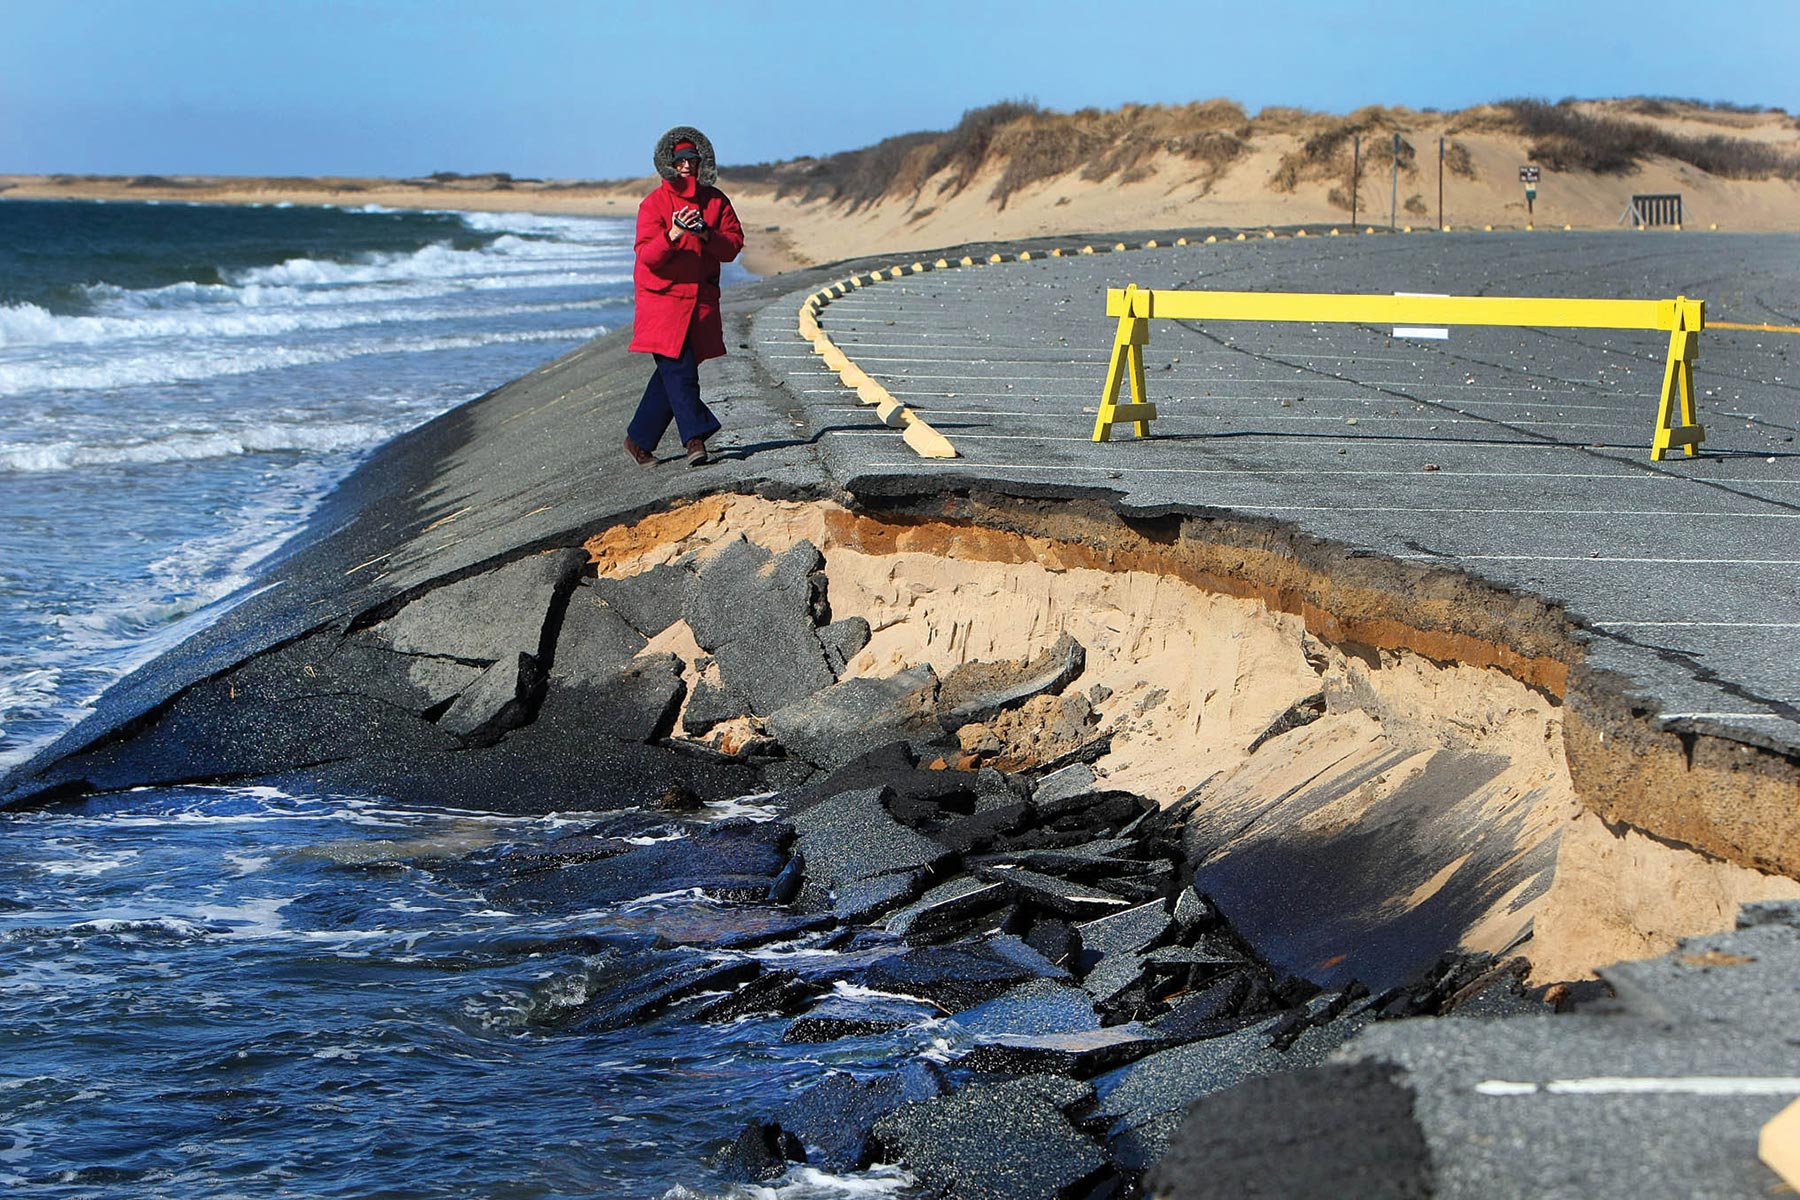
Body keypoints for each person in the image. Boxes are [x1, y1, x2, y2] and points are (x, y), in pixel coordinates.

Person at [624, 126, 745, 467]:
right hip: (661, 301)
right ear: (668, 164)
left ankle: (638, 440)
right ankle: (695, 438)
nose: (686, 167)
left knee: (672, 375)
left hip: (700, 301)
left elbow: (733, 247)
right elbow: (647, 256)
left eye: (691, 160)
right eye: (679, 161)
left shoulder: (716, 201)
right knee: (680, 372)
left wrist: (706, 233)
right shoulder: (653, 204)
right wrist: (674, 232)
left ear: (701, 160)